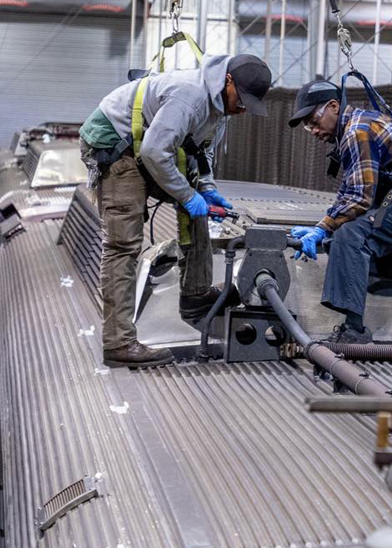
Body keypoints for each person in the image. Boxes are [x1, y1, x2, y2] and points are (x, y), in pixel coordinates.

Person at [79, 53, 272, 368]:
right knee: (122, 245)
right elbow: (155, 152)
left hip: (146, 146)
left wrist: (206, 191)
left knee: (197, 208)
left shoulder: (219, 108)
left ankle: (195, 293)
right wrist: (187, 195)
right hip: (116, 147)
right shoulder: (191, 97)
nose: (243, 108)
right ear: (227, 81)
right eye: (243, 99)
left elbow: (200, 152)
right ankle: (118, 343)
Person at [287, 78, 392, 343]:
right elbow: (349, 190)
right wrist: (324, 226)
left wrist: (323, 228)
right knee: (340, 239)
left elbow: (359, 199)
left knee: (351, 236)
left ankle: (354, 331)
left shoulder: (357, 131)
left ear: (333, 106)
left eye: (313, 120)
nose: (312, 129)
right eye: (307, 125)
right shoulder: (354, 128)